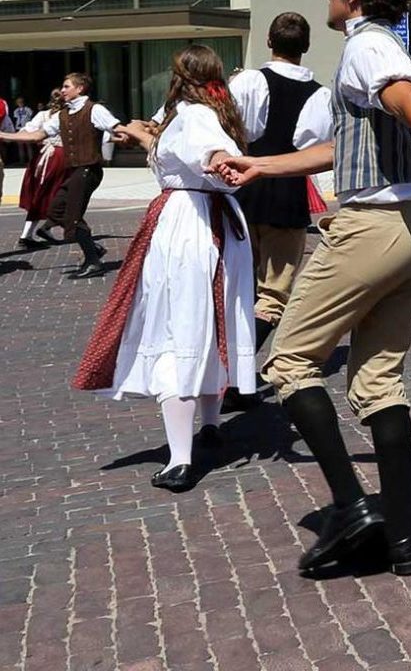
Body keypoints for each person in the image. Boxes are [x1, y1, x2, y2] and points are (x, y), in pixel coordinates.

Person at [219, 0, 411, 578]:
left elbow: (402, 97)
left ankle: (353, 506)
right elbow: (345, 145)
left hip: (373, 227)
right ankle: (402, 536)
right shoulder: (382, 49)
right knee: (378, 381)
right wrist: (263, 165)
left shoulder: (367, 45)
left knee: (288, 361)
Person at [71, 46, 257, 492]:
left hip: (188, 225)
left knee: (180, 327)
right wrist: (144, 136)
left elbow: (211, 149)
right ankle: (210, 425)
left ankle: (180, 459)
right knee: (211, 322)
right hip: (213, 223)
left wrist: (219, 160)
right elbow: (193, 147)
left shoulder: (196, 115)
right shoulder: (207, 111)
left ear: (180, 77)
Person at [225, 11, 332, 410]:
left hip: (245, 185)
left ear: (269, 41)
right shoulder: (321, 95)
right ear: (306, 46)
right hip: (287, 190)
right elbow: (312, 145)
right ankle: (237, 374)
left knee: (241, 285)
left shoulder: (248, 81)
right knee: (273, 292)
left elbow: (232, 126)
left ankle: (231, 370)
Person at [0, 72, 123, 277]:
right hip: (74, 170)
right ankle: (92, 247)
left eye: (67, 86)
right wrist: (4, 135)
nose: (63, 90)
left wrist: (140, 135)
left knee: (73, 217)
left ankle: (93, 262)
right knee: (55, 210)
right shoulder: (62, 115)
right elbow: (37, 135)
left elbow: (117, 128)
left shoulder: (94, 109)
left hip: (88, 169)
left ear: (80, 88)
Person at [14, 89, 66, 249]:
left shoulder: (42, 115)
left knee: (42, 195)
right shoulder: (66, 116)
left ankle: (36, 231)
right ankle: (31, 233)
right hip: (58, 157)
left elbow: (27, 130)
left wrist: (19, 136)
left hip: (41, 157)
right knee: (58, 195)